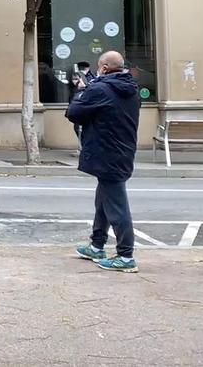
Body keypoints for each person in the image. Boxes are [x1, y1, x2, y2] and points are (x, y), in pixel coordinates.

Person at [67, 50, 141, 273]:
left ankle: (126, 255)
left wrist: (81, 91)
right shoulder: (130, 89)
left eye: (99, 67)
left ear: (104, 68)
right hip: (123, 151)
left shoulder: (100, 89)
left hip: (107, 153)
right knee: (103, 201)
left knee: (117, 207)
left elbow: (74, 112)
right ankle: (97, 245)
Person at [69, 61, 94, 140]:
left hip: (84, 109)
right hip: (78, 108)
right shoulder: (74, 85)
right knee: (78, 129)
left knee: (81, 130)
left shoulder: (90, 79)